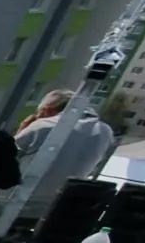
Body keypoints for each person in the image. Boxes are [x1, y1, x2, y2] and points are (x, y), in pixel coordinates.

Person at [13, 89, 117, 224]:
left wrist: (22, 130)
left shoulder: (42, 126)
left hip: (14, 208)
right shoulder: (105, 132)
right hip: (59, 212)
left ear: (48, 110)